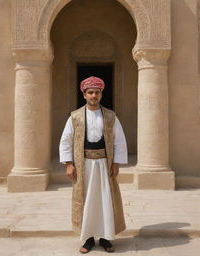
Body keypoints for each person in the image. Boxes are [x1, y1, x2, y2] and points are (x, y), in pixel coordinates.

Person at [59, 76, 128, 253]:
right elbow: (66, 141)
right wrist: (69, 164)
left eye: (97, 92)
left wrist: (117, 163)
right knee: (87, 201)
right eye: (90, 92)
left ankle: (105, 238)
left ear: (101, 94)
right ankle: (88, 239)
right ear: (84, 95)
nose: (93, 95)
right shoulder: (75, 117)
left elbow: (119, 141)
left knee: (105, 199)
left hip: (105, 165)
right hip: (84, 166)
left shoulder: (111, 116)